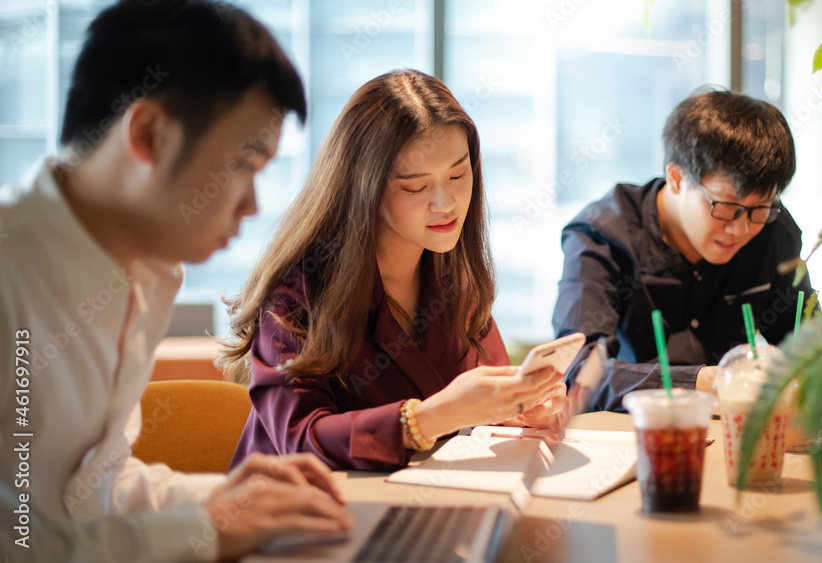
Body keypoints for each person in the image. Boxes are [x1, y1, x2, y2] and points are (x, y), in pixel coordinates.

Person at [0, 2, 354, 561]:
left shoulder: (145, 272)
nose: (253, 206)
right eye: (242, 165)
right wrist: (204, 532)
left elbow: (89, 487)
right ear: (148, 134)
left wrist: (224, 499)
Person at [220, 69, 568, 471]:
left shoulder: (453, 277)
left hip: (418, 508)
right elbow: (300, 440)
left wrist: (519, 407)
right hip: (297, 517)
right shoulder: (297, 295)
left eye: (458, 175)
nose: (447, 203)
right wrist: (433, 416)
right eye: (416, 187)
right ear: (362, 189)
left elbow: (486, 399)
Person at [553, 89, 813, 412]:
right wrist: (701, 383)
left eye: (760, 207)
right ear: (676, 177)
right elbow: (576, 370)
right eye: (726, 206)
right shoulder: (603, 237)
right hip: (634, 438)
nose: (741, 228)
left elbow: (808, 340)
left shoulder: (773, 230)